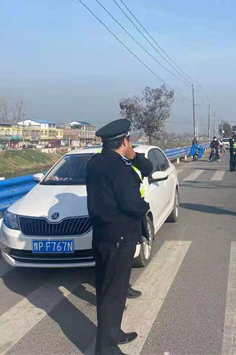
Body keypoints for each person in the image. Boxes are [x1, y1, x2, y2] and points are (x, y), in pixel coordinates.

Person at [86, 119, 154, 355]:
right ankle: (106, 349)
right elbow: (131, 203)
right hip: (120, 237)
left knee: (107, 289)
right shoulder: (119, 168)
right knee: (113, 294)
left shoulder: (95, 162)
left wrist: (132, 156)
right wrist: (144, 208)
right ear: (124, 141)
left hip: (102, 235)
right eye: (129, 140)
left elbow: (145, 169)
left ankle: (114, 333)